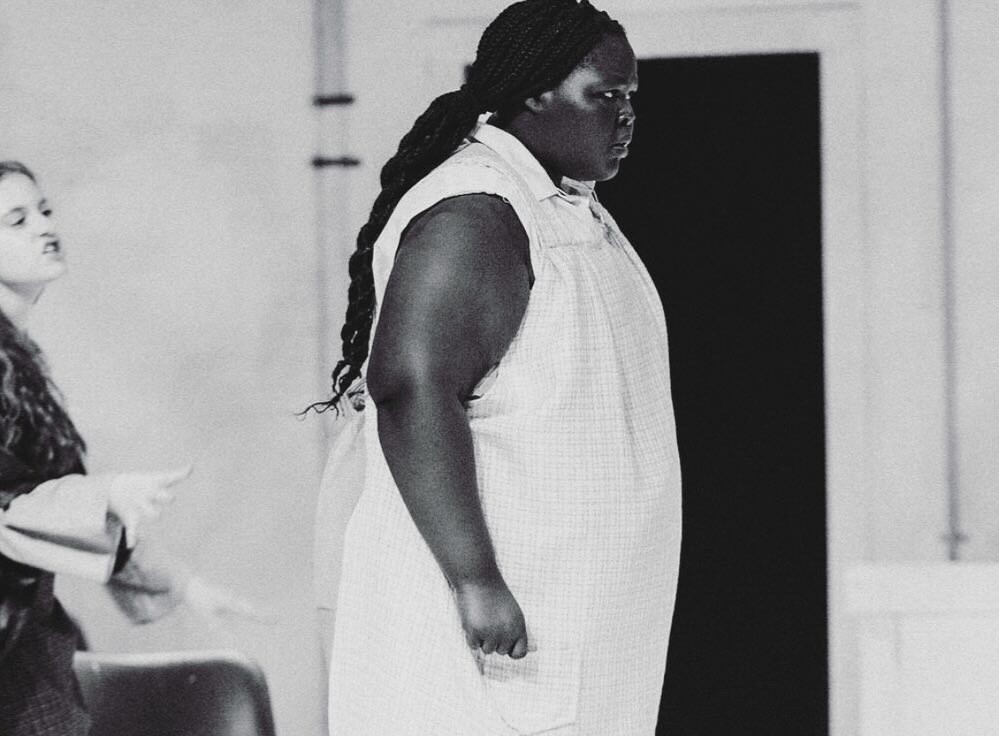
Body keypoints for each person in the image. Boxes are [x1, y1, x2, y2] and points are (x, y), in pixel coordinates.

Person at [317, 0, 681, 733]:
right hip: (494, 624)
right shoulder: (477, 212)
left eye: (631, 96)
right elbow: (411, 388)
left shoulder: (563, 205)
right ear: (535, 93)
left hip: (570, 621)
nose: (625, 116)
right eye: (604, 95)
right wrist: (475, 579)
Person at [0, 160, 268, 735]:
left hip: (26, 644)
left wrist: (186, 586)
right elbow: (13, 503)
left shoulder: (17, 363)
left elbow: (56, 497)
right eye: (16, 220)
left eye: (44, 210)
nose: (44, 227)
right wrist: (105, 495)